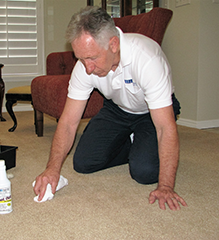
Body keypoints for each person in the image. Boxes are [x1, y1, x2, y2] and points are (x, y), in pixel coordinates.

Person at [33, 6, 187, 210]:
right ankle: (133, 142)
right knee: (84, 163)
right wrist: (52, 169)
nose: (87, 67)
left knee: (144, 172)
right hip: (117, 108)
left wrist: (166, 186)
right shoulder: (84, 68)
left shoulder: (147, 59)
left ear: (113, 44)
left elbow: (165, 128)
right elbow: (69, 122)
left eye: (91, 58)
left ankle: (140, 146)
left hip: (151, 113)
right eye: (81, 58)